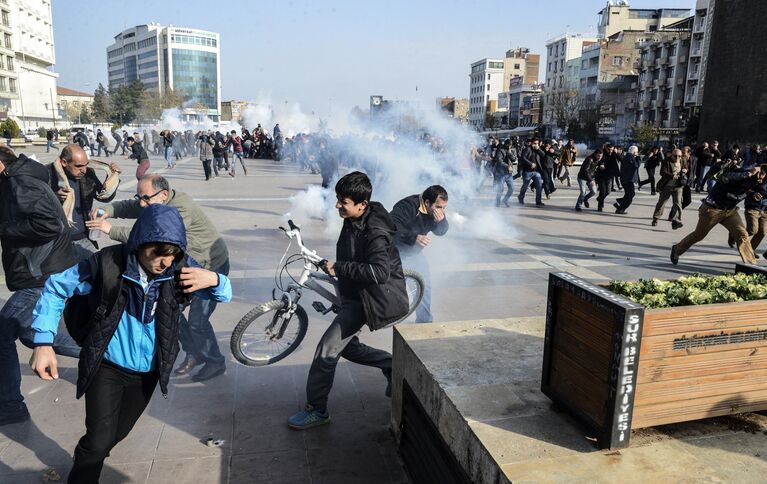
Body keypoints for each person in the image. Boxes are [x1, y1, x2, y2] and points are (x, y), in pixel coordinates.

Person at [29, 204, 231, 482]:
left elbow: (222, 294)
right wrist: (43, 342)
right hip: (107, 367)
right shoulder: (106, 265)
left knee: (117, 434)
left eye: (172, 254)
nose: (165, 262)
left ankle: (89, 454)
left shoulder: (180, 269)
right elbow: (55, 288)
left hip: (148, 373)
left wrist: (216, 280)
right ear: (138, 243)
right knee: (98, 440)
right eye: (157, 253)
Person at [288, 172, 408, 430]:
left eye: (343, 202)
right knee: (348, 346)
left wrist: (340, 268)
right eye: (337, 199)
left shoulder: (375, 231)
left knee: (327, 349)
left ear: (362, 205)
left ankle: (317, 410)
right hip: (354, 290)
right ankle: (390, 364)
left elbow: (378, 272)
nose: (337, 206)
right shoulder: (356, 215)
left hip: (370, 297)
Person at [87, 174, 231, 382]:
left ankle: (215, 361)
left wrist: (110, 229)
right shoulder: (153, 202)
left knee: (197, 321)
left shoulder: (179, 209)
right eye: (140, 197)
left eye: (145, 198)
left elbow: (152, 237)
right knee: (170, 310)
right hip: (182, 263)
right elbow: (131, 206)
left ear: (163, 195)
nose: (141, 202)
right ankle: (195, 353)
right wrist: (107, 210)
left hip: (209, 266)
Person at [0, 146, 79, 426]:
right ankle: (106, 351)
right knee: (32, 335)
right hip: (42, 271)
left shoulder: (20, 183)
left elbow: (49, 225)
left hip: (41, 274)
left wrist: (5, 229)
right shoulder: (17, 180)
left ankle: (10, 405)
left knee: (5, 333)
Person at [671, 165, 767, 265]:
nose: (762, 178)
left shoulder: (754, 181)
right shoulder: (740, 174)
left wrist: (754, 195)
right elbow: (728, 178)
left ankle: (750, 265)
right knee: (698, 235)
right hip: (712, 210)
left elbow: (749, 191)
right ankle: (677, 249)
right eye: (761, 174)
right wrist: (748, 173)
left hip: (729, 211)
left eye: (764, 175)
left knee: (742, 235)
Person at [47, 144, 121, 260]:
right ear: (64, 162)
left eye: (86, 165)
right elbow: (32, 203)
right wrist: (53, 196)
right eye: (79, 166)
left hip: (84, 239)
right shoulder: (47, 173)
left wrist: (112, 176)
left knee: (94, 272)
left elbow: (103, 196)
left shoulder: (88, 174)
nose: (84, 170)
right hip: (56, 241)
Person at [390, 185, 449, 323]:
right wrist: (414, 237)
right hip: (393, 251)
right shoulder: (408, 205)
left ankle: (424, 321)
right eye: (439, 207)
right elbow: (390, 227)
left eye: (444, 207)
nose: (442, 211)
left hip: (413, 254)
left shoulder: (436, 211)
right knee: (396, 289)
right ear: (427, 202)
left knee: (424, 285)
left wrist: (441, 222)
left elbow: (441, 232)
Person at [652, 148, 686, 229]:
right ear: (672, 155)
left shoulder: (682, 160)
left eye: (679, 156)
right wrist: (671, 176)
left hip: (678, 186)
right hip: (667, 186)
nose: (677, 158)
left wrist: (685, 170)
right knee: (661, 203)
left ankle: (676, 221)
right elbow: (662, 172)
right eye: (675, 156)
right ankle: (656, 218)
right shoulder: (666, 161)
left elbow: (686, 167)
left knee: (678, 204)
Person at [614, 146, 642, 214]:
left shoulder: (628, 157)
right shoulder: (630, 157)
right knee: (629, 197)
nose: (637, 154)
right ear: (634, 152)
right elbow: (636, 166)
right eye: (636, 152)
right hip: (627, 180)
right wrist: (638, 158)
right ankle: (620, 209)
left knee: (630, 195)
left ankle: (620, 203)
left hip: (627, 179)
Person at [517, 138, 545, 206]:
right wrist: (530, 164)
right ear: (531, 143)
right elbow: (523, 158)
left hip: (536, 171)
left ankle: (538, 201)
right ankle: (521, 197)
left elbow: (544, 155)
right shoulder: (527, 149)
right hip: (527, 171)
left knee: (539, 186)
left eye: (537, 144)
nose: (535, 145)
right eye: (534, 143)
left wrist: (538, 149)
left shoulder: (538, 150)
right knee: (525, 186)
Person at [596, 144, 620, 212]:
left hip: (610, 176)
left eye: (612, 150)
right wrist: (601, 165)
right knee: (603, 191)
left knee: (608, 192)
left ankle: (599, 198)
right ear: (606, 148)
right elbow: (600, 160)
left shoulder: (614, 154)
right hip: (601, 175)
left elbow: (621, 159)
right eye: (609, 149)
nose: (610, 151)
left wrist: (616, 152)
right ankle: (600, 206)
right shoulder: (602, 153)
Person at [492, 140, 515, 207]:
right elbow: (499, 160)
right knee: (500, 188)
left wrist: (510, 153)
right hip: (501, 173)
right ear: (506, 144)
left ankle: (505, 200)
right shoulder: (501, 150)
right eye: (509, 145)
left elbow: (514, 159)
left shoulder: (512, 150)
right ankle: (497, 201)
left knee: (512, 188)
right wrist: (507, 166)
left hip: (509, 173)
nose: (510, 146)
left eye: (511, 145)